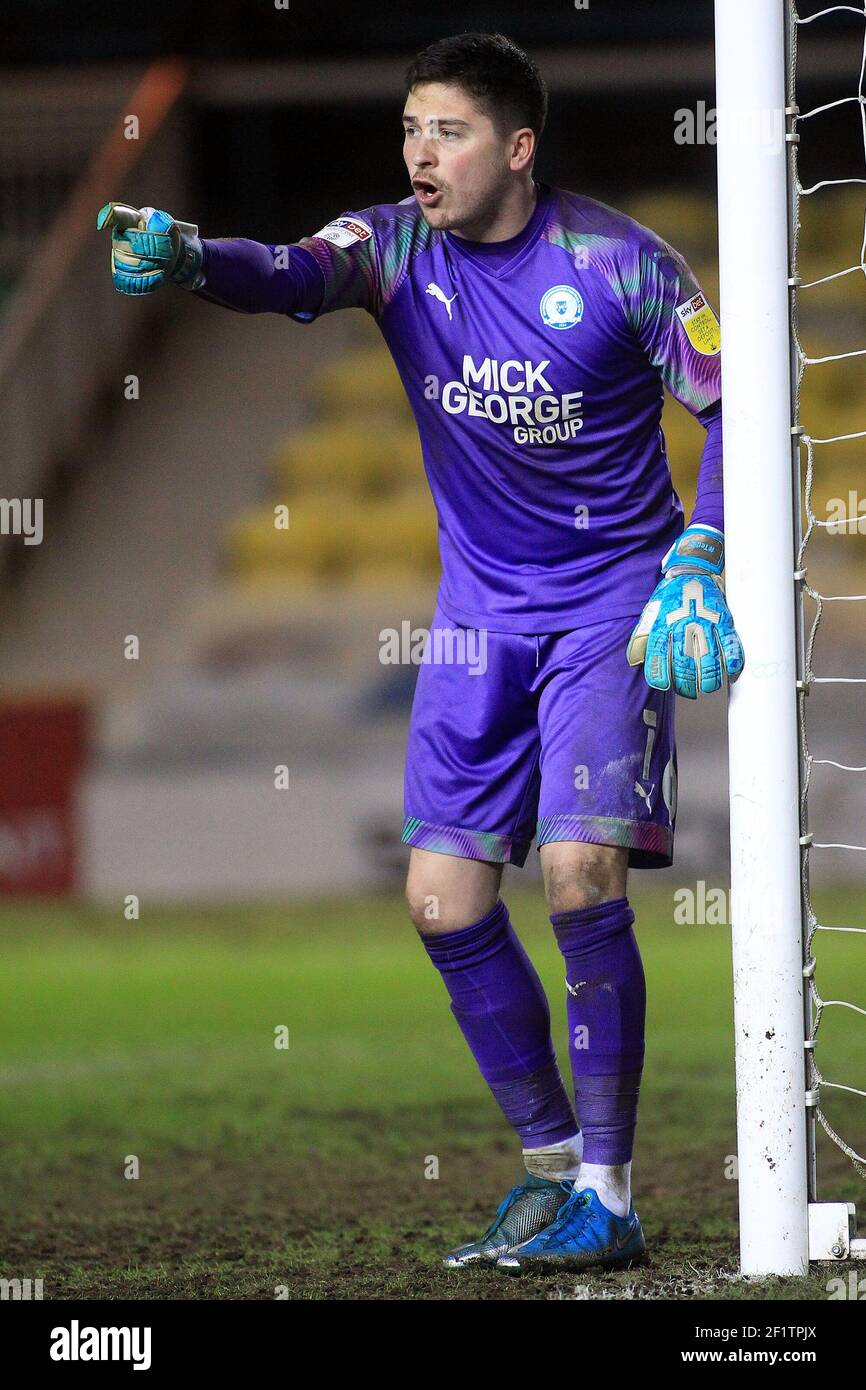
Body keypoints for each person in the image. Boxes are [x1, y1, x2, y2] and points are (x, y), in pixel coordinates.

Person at [97, 30, 743, 1273]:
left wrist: (698, 553)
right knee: (440, 901)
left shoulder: (620, 262)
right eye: (406, 129)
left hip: (610, 605)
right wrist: (186, 254)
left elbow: (723, 405)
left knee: (574, 877)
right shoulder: (391, 246)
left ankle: (609, 1194)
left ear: (516, 146)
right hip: (474, 618)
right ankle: (549, 1168)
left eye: (443, 131)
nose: (416, 154)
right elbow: (284, 273)